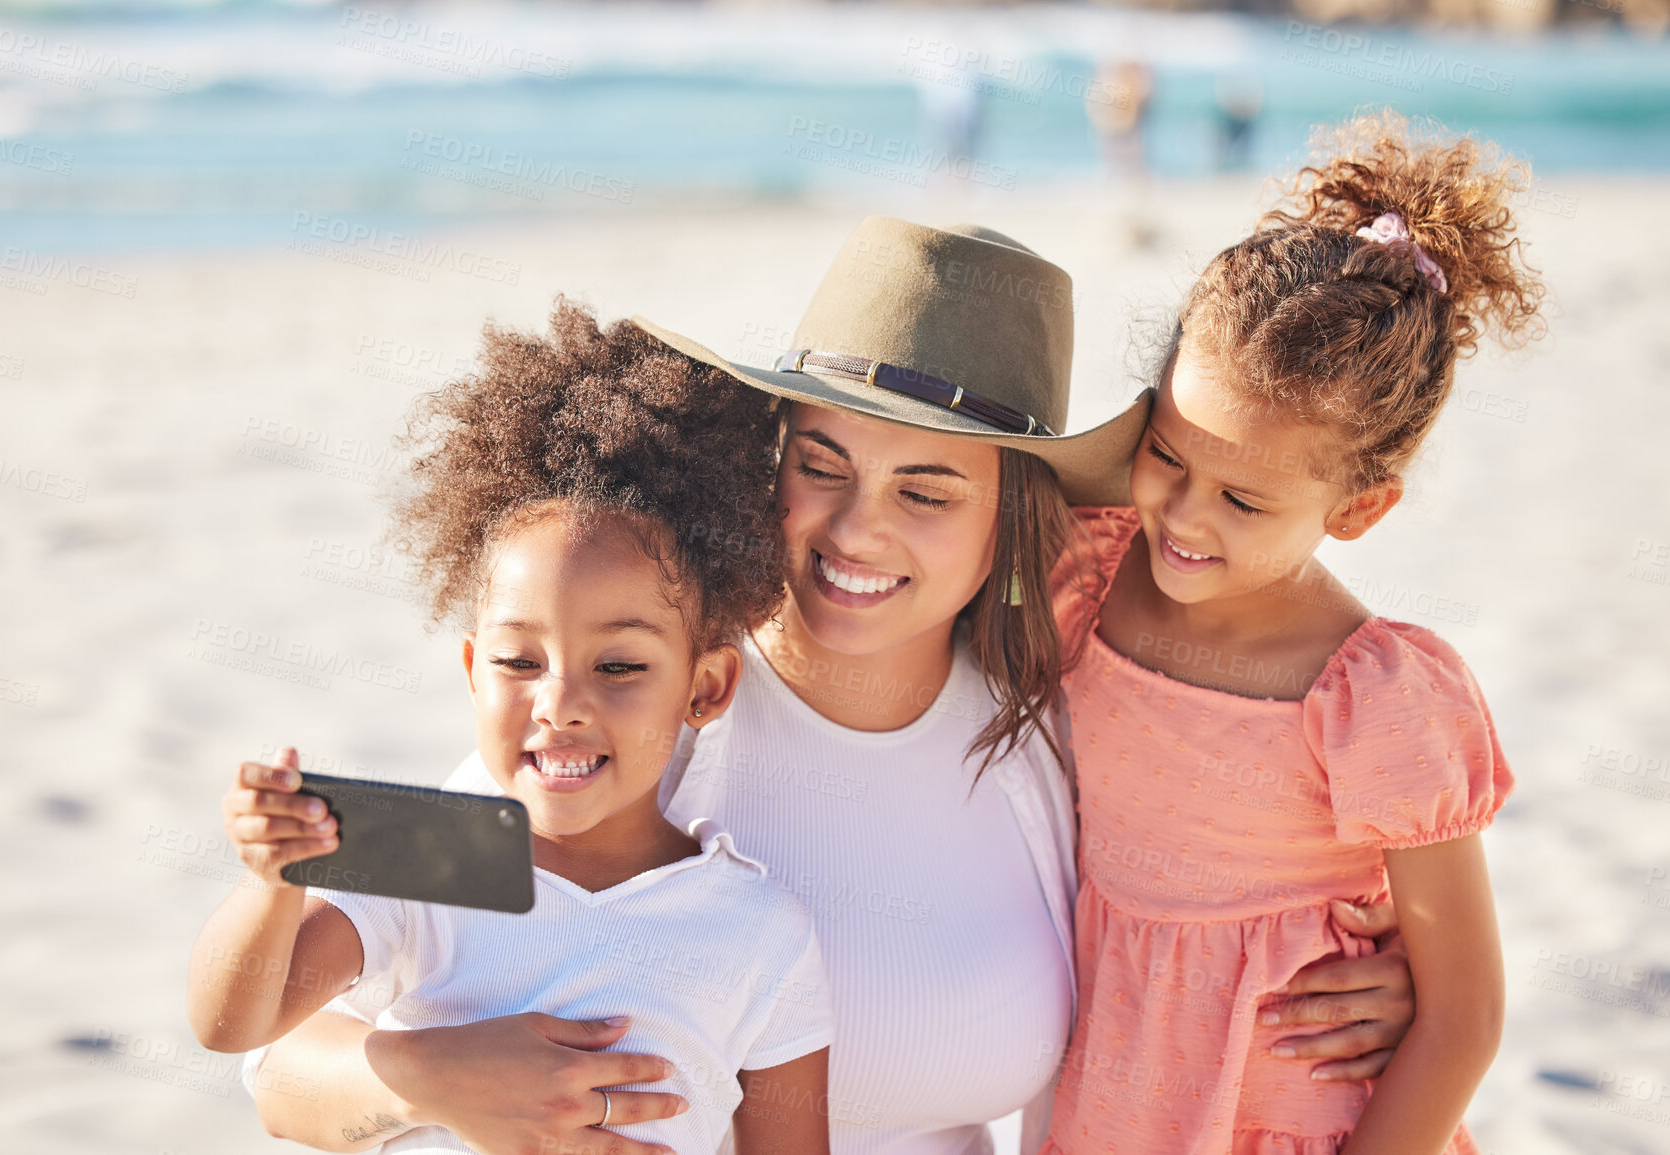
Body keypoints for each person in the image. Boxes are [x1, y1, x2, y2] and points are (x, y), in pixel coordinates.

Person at [243, 218, 1422, 1155]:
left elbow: (1210, 909)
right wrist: (430, 1081)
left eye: (927, 489)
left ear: (1010, 516)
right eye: (823, 466)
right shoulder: (634, 701)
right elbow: (273, 1064)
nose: (857, 530)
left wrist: (1374, 979)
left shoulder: (1050, 739)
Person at [188, 303, 835, 1155]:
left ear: (704, 686)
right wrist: (271, 883)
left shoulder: (760, 927)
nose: (560, 702)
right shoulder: (422, 856)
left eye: (618, 666)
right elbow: (234, 1022)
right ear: (470, 670)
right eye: (518, 662)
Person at [1042, 112, 1546, 1154]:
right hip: (1117, 1106)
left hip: (1307, 1121)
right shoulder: (1089, 572)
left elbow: (1463, 1015)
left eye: (1246, 500)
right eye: (1169, 457)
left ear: (1357, 511)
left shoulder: (1374, 692)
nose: (1185, 516)